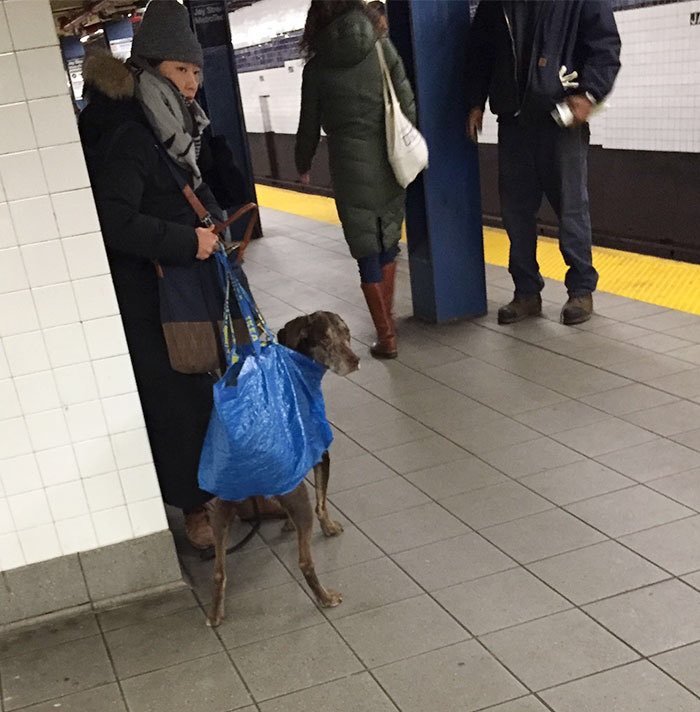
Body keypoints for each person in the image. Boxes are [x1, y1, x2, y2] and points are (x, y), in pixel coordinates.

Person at [78, 0, 242, 549]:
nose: (192, 82)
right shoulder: (130, 129)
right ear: (149, 66)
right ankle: (194, 510)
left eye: (196, 70)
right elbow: (114, 219)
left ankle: (224, 490)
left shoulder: (167, 120)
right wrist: (187, 240)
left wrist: (212, 222)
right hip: (152, 289)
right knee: (178, 398)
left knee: (205, 384)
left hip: (183, 280)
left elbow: (187, 185)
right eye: (179, 69)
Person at [466, 1, 621, 325]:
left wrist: (589, 94)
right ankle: (526, 293)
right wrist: (475, 101)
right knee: (516, 213)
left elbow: (605, 47)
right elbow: (480, 51)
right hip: (513, 121)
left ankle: (581, 289)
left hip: (560, 121)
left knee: (571, 208)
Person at [295, 0, 416, 359]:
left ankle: (387, 337)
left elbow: (308, 125)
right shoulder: (382, 47)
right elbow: (407, 102)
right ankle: (388, 328)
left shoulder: (316, 68)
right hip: (389, 160)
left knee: (366, 251)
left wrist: (302, 162)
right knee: (388, 240)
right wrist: (405, 141)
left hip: (348, 168)